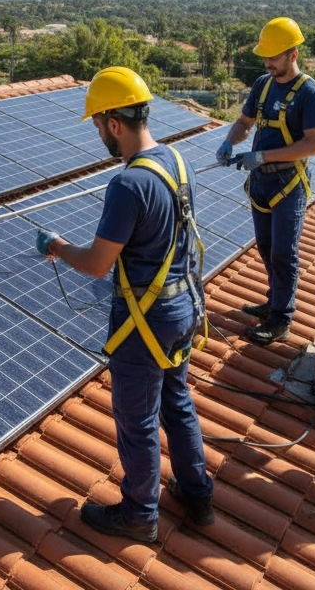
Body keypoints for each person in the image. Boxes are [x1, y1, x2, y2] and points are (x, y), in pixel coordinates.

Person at [36, 66, 215, 541]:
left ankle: (140, 515)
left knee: (136, 422)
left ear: (115, 123)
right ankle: (197, 496)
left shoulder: (129, 185)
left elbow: (97, 264)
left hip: (146, 324)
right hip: (183, 311)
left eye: (98, 125)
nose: (99, 134)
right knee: (177, 402)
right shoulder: (179, 162)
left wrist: (57, 246)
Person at [217, 17, 315, 345]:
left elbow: (314, 145)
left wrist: (263, 157)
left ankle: (282, 319)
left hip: (288, 185)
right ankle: (274, 300)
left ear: (293, 55)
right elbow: (244, 122)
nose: (267, 63)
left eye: (274, 57)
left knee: (283, 251)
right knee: (265, 247)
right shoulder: (262, 85)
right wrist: (230, 141)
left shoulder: (309, 93)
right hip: (261, 183)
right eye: (265, 57)